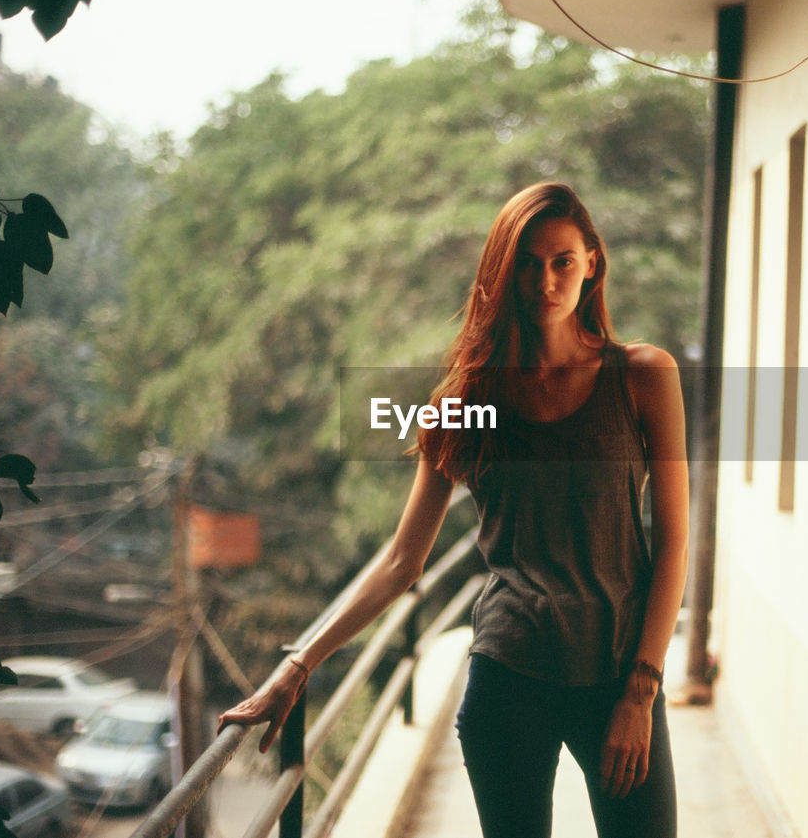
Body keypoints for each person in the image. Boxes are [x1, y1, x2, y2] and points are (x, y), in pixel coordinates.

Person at [218, 182, 689, 838]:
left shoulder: (642, 375)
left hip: (617, 672)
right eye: (526, 262)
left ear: (592, 264)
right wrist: (298, 666)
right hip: (509, 678)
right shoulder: (466, 402)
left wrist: (641, 690)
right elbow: (401, 560)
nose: (545, 279)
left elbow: (672, 544)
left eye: (561, 260)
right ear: (502, 270)